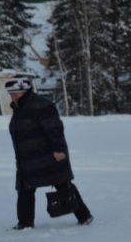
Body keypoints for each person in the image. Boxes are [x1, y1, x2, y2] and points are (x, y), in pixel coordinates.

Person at [6, 75, 93, 229]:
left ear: (25, 91)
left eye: (16, 93)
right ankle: (25, 223)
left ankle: (84, 216)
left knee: (63, 185)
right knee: (25, 187)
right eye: (11, 93)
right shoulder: (19, 107)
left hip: (48, 155)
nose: (12, 96)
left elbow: (55, 129)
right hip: (27, 158)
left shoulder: (41, 105)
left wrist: (58, 150)